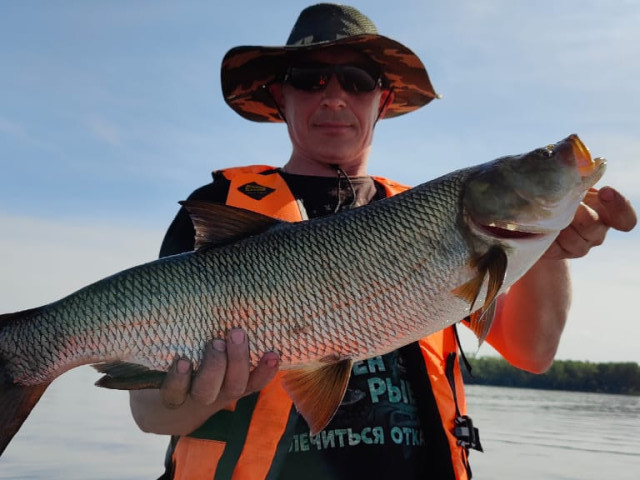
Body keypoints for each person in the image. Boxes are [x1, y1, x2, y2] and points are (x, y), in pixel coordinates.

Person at [129, 4, 637, 480]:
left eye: (356, 80)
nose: (334, 97)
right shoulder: (220, 209)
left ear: (383, 99)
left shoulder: (440, 220)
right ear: (280, 97)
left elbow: (533, 352)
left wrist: (548, 247)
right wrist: (205, 391)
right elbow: (149, 411)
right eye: (309, 80)